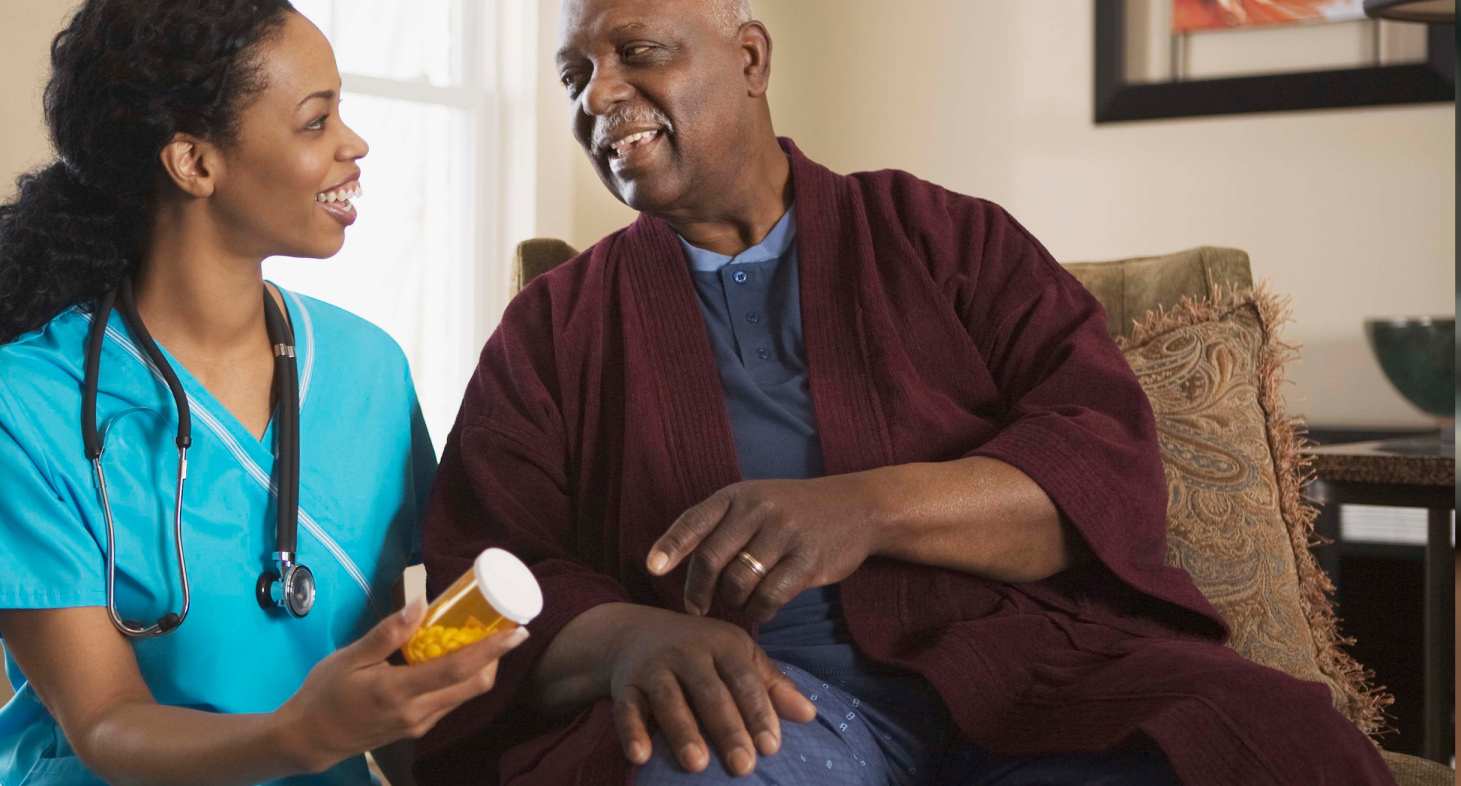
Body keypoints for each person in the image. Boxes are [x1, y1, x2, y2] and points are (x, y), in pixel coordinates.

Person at [411, 0, 1394, 784]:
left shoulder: (946, 240)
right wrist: (630, 640)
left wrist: (867, 508)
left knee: (1262, 740)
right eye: (574, 75)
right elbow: (483, 580)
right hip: (766, 709)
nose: (601, 94)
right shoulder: (551, 330)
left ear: (750, 60)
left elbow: (1105, 462)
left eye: (638, 53)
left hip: (1031, 674)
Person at [0, 2, 524, 784]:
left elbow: (399, 661)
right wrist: (300, 737)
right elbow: (106, 723)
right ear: (194, 163)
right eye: (317, 121)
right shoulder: (13, 404)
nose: (355, 143)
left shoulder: (367, 367)